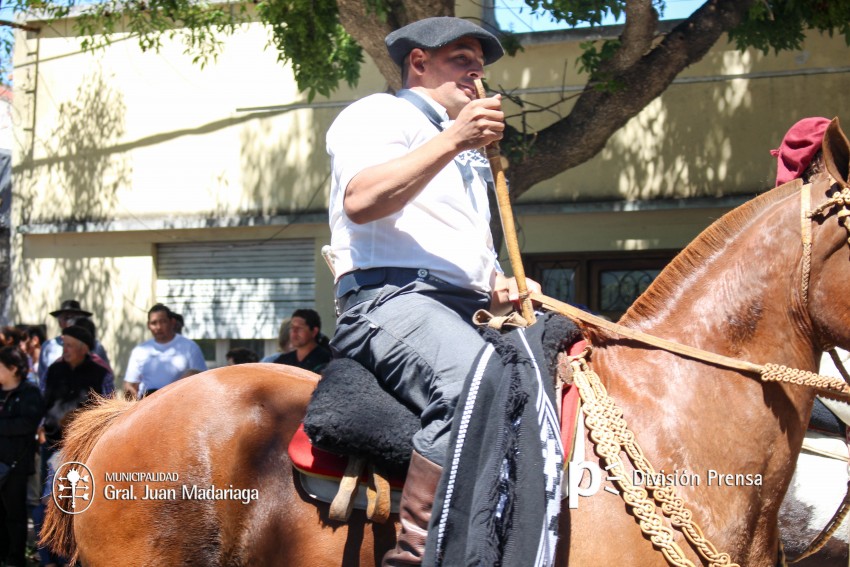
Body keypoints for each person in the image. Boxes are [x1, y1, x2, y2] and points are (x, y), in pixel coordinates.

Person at [326, 17, 539, 565]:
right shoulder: (378, 113)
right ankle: (418, 554)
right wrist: (455, 138)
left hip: (464, 310)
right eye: (461, 60)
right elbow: (362, 200)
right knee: (475, 383)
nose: (476, 74)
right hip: (387, 298)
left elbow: (463, 254)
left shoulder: (469, 154)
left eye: (480, 66)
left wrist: (500, 285)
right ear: (418, 62)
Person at [0, 347, 43, 567]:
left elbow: (27, 424)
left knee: (14, 513)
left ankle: (15, 558)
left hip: (16, 462)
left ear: (13, 369)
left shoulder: (29, 392)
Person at [123, 304, 207, 399]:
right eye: (154, 323)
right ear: (148, 325)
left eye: (163, 322)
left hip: (180, 404)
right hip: (146, 405)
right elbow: (130, 384)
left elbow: (201, 379)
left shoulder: (190, 347)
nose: (158, 327)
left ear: (172, 322)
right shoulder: (140, 351)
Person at [38, 300, 109, 390]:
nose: (71, 322)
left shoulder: (96, 346)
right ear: (60, 322)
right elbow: (42, 379)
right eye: (67, 318)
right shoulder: (49, 347)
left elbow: (106, 379)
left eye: (75, 318)